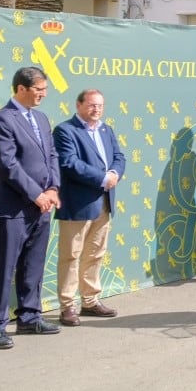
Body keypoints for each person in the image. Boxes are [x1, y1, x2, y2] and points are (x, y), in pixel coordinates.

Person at [0, 66, 62, 348]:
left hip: (41, 206)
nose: (43, 95)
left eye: (44, 90)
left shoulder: (41, 118)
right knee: (4, 268)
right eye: (38, 90)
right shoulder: (3, 120)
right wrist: (35, 194)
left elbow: (51, 154)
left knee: (33, 264)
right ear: (20, 89)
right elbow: (7, 166)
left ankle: (29, 317)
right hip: (12, 207)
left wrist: (53, 188)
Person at [53, 88, 126, 326]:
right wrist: (103, 178)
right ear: (79, 105)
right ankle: (67, 306)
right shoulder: (66, 130)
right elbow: (69, 163)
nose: (96, 110)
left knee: (96, 254)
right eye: (92, 105)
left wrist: (114, 172)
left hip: (103, 203)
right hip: (78, 204)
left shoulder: (106, 129)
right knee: (70, 256)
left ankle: (90, 300)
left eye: (100, 106)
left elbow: (119, 156)